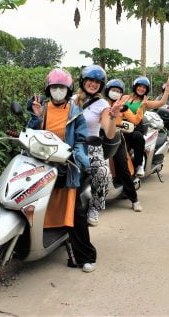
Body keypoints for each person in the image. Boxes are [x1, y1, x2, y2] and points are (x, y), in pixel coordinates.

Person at [27, 68, 96, 272]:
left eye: (62, 88)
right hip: (41, 164)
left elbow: (82, 140)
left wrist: (79, 159)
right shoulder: (43, 109)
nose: (58, 91)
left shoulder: (75, 113)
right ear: (48, 90)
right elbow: (31, 134)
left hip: (68, 166)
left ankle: (85, 256)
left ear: (69, 90)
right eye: (54, 87)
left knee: (76, 212)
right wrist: (36, 117)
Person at [73, 65, 119, 227]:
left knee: (102, 172)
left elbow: (109, 133)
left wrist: (113, 118)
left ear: (101, 85)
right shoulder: (71, 100)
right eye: (90, 80)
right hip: (70, 145)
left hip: (91, 147)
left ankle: (94, 206)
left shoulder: (102, 105)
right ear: (83, 81)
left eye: (97, 82)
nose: (93, 84)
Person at [120, 73, 169, 177]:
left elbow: (161, 102)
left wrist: (168, 86)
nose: (141, 89)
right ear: (135, 87)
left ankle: (139, 165)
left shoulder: (145, 102)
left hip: (135, 127)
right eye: (139, 86)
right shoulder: (125, 98)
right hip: (119, 125)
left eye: (144, 87)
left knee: (138, 137)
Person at [103, 79, 142, 212]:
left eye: (118, 91)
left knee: (122, 166)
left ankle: (134, 199)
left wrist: (142, 108)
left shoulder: (122, 106)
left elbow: (135, 120)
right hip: (99, 136)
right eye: (113, 90)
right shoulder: (100, 104)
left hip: (116, 137)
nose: (115, 93)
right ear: (107, 90)